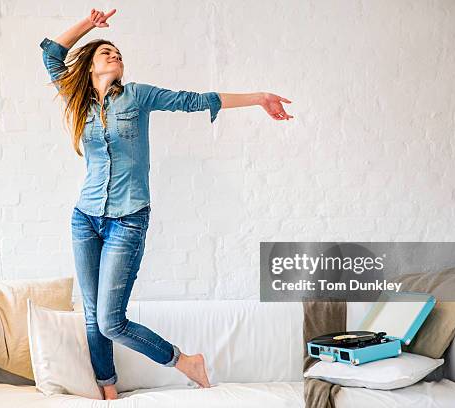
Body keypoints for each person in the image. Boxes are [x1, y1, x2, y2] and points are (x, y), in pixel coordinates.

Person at [39, 7, 293, 400]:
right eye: (106, 52)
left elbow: (194, 100)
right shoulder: (79, 102)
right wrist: (90, 25)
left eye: (118, 52)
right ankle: (108, 390)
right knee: (91, 315)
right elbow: (51, 53)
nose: (115, 55)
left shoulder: (138, 96)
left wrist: (259, 97)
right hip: (85, 218)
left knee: (110, 320)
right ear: (89, 66)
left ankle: (184, 361)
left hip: (127, 220)